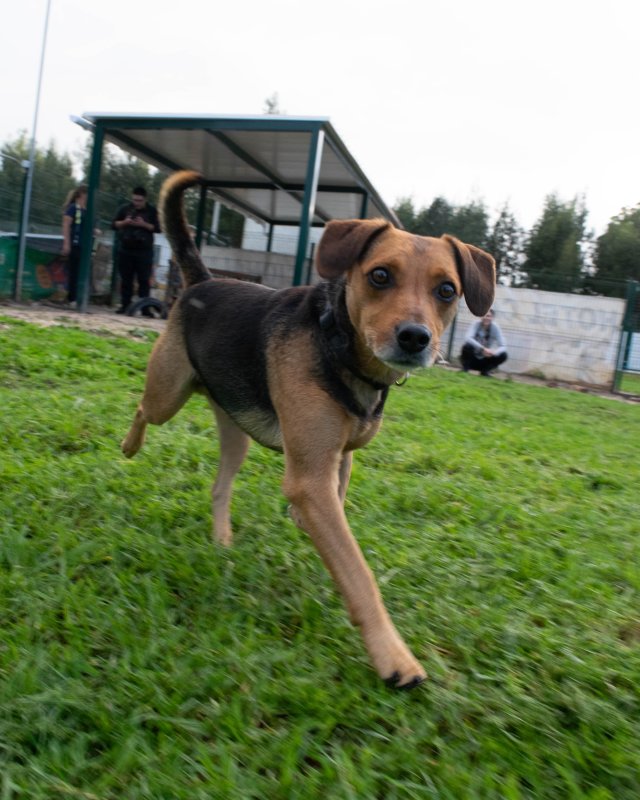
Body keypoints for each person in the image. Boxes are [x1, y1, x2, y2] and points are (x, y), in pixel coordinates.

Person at [111, 186, 161, 313]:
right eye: (134, 200)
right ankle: (125, 306)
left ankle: (144, 308)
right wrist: (125, 222)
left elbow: (158, 228)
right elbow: (114, 224)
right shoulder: (125, 209)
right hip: (126, 249)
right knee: (126, 279)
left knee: (144, 280)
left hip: (144, 251)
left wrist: (143, 224)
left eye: (139, 201)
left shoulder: (151, 211)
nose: (136, 203)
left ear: (145, 199)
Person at [61, 184, 88, 306]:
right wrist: (66, 243)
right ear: (82, 194)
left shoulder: (86, 210)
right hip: (75, 244)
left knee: (81, 271)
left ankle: (78, 296)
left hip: (84, 245)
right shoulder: (73, 208)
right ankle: (72, 298)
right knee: (74, 271)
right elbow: (66, 225)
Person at [460, 308, 508, 377]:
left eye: (488, 316)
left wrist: (493, 352)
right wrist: (482, 349)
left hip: (485, 358)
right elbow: (468, 338)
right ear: (481, 317)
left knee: (503, 355)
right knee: (467, 346)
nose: (486, 318)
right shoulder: (475, 324)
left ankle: (485, 371)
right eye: (484, 315)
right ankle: (465, 369)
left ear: (492, 318)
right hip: (473, 358)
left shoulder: (495, 328)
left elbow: (503, 346)